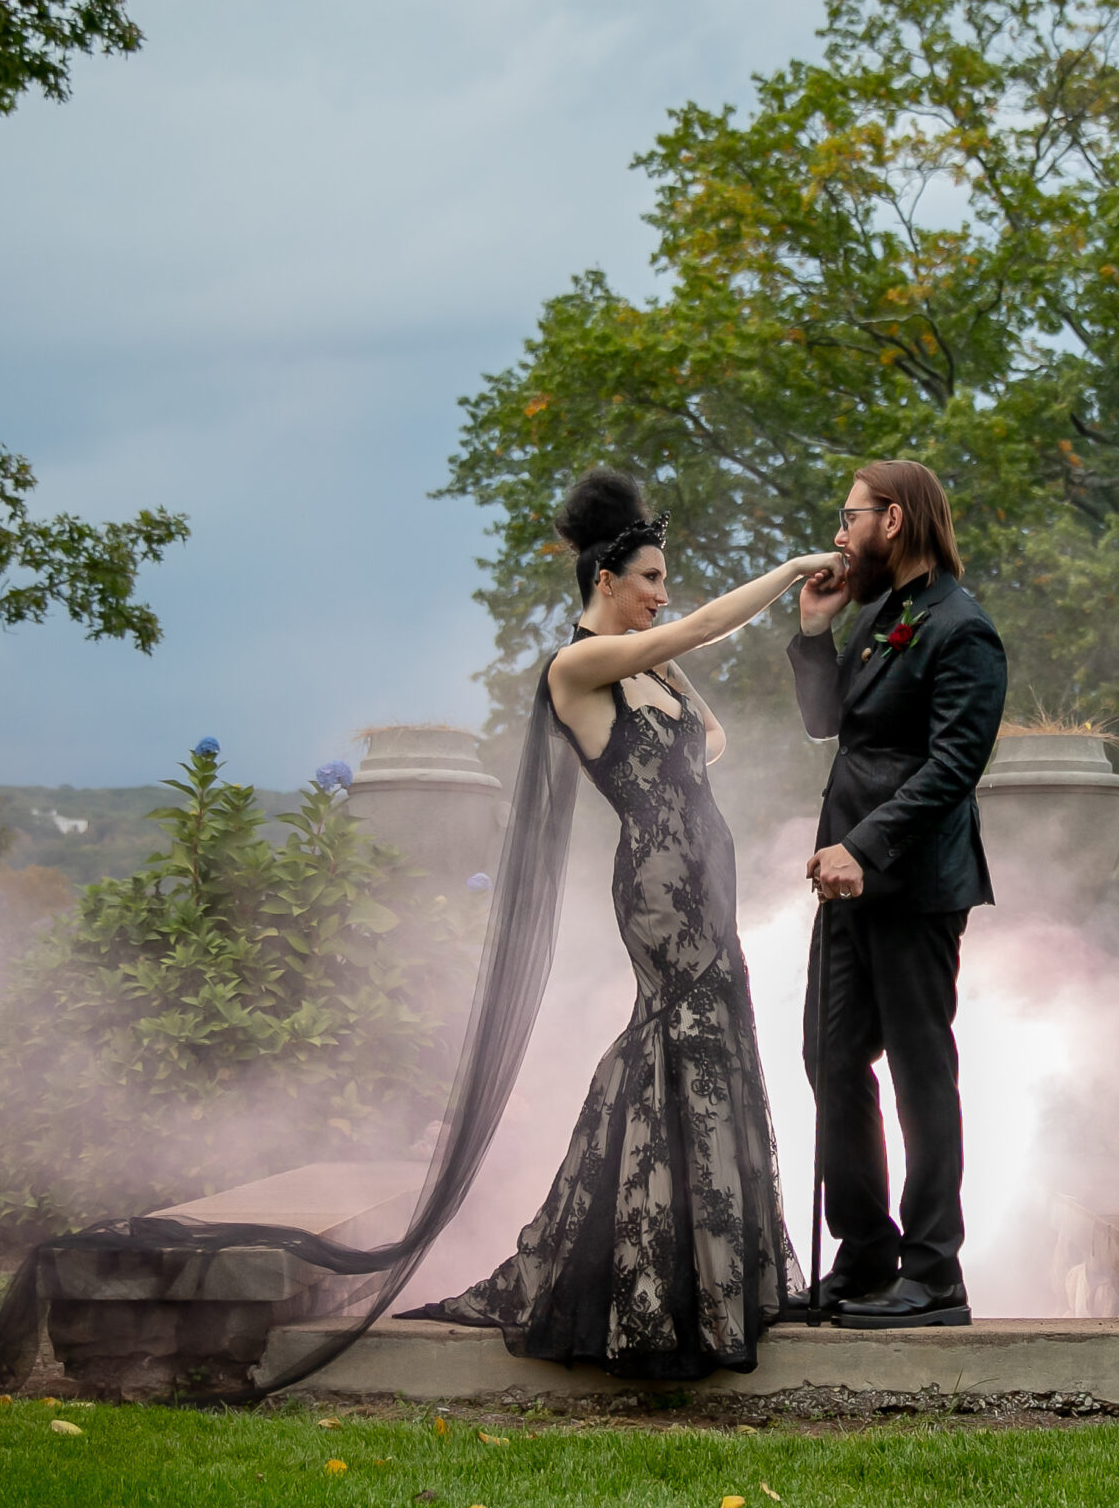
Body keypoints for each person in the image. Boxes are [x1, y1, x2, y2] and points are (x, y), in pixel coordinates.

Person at [405, 470, 842, 1377]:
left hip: (704, 875)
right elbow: (705, 626)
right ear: (605, 579)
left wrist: (668, 684)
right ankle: (642, 1284)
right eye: (650, 577)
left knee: (705, 1046)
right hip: (659, 886)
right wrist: (795, 567)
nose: (662, 593)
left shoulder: (643, 659)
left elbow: (709, 737)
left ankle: (705, 1281)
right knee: (675, 1042)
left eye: (665, 579)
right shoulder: (576, 664)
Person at [789, 459, 1007, 1328]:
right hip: (843, 880)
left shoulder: (964, 630)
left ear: (897, 519)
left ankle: (935, 1273)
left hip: (913, 884)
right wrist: (812, 633)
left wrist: (865, 848)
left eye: (851, 516)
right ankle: (867, 1254)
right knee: (828, 1056)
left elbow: (954, 767)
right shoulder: (882, 610)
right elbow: (824, 720)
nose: (840, 532)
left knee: (922, 1073)